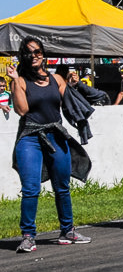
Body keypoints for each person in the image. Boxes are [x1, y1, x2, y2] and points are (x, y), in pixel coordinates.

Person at [10, 36, 92, 251]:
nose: (34, 56)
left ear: (43, 54)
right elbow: (22, 110)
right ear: (23, 57)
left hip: (56, 135)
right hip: (30, 138)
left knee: (62, 187)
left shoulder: (56, 79)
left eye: (37, 51)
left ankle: (68, 231)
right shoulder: (20, 80)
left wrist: (77, 87)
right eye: (29, 53)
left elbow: (70, 103)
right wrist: (15, 80)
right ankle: (28, 236)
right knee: (30, 188)